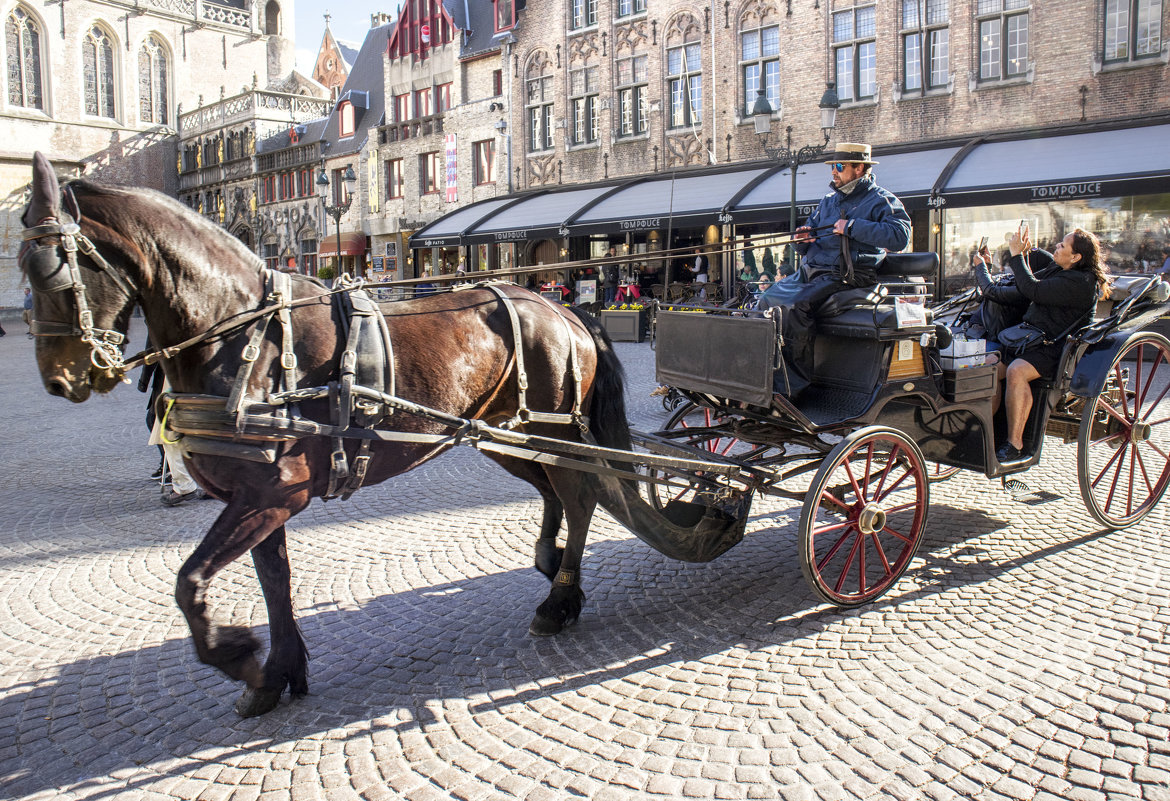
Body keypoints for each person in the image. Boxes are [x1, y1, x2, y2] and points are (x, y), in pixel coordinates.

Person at [759, 142, 911, 400]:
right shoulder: (828, 201)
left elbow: (900, 236)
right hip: (814, 272)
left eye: (839, 167)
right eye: (833, 167)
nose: (834, 172)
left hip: (849, 275)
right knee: (766, 300)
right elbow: (810, 242)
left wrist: (852, 226)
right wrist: (803, 240)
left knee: (796, 306)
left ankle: (791, 387)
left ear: (859, 168)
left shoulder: (881, 200)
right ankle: (764, 375)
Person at [983, 226, 1107, 463]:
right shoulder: (1061, 268)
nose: (1056, 248)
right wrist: (1027, 250)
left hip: (1055, 348)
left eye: (1062, 246)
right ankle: (986, 434)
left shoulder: (1081, 282)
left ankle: (1014, 443)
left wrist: (1017, 255)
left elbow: (1033, 290)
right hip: (1029, 340)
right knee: (986, 366)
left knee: (1016, 371)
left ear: (1076, 257)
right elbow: (1039, 264)